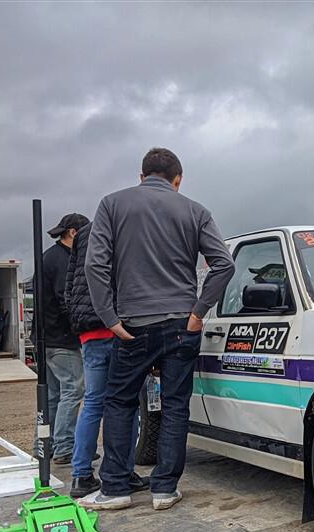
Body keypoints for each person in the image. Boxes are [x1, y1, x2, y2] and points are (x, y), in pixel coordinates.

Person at [82, 148, 234, 510]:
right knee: (176, 405)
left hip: (132, 325)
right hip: (182, 325)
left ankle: (116, 488)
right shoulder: (195, 211)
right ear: (177, 179)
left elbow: (95, 266)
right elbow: (223, 264)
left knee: (118, 403)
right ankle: (165, 489)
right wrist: (198, 312)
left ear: (142, 175)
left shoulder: (112, 205)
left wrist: (110, 318)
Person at [65, 221, 150, 498]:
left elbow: (70, 284)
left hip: (89, 333)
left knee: (92, 403)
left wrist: (80, 324)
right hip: (119, 328)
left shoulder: (83, 235)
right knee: (128, 403)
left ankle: (81, 475)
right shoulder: (123, 229)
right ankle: (124, 471)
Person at [35, 213, 89, 464]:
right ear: (74, 233)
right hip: (61, 338)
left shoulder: (48, 257)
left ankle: (46, 446)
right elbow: (66, 299)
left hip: (45, 337)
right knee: (74, 390)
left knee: (54, 395)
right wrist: (83, 324)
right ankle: (65, 447)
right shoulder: (64, 261)